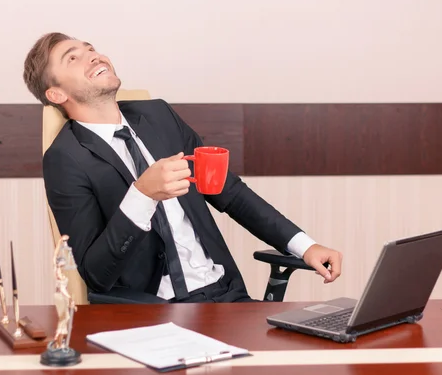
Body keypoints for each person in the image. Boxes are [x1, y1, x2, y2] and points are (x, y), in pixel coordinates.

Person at [23, 32, 343, 303]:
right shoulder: (65, 158)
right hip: (149, 313)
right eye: (72, 58)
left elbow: (229, 193)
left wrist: (304, 245)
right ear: (56, 93)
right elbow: (96, 272)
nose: (93, 56)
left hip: (225, 295)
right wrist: (142, 195)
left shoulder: (159, 116)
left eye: (91, 49)